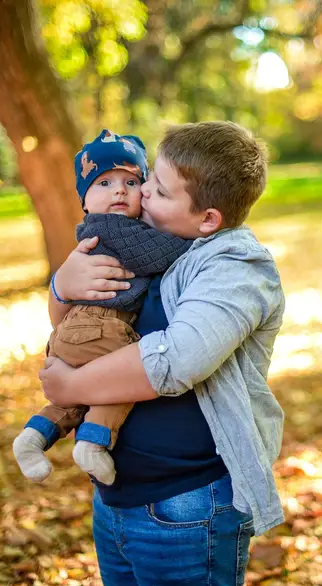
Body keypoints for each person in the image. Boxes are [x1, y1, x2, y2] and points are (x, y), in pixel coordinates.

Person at [39, 121, 286, 586]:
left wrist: (71, 390)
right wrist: (60, 286)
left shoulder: (235, 268)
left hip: (186, 504)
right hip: (115, 497)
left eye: (159, 189)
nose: (142, 192)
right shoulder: (138, 240)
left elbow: (177, 359)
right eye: (148, 179)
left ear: (209, 218)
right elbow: (73, 317)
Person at [13, 129, 192, 485]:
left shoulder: (109, 229)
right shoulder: (113, 229)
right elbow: (157, 253)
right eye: (105, 182)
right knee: (120, 383)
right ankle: (93, 443)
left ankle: (33, 437)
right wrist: (192, 243)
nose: (119, 191)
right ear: (84, 199)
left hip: (75, 333)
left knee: (71, 401)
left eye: (130, 181)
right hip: (103, 328)